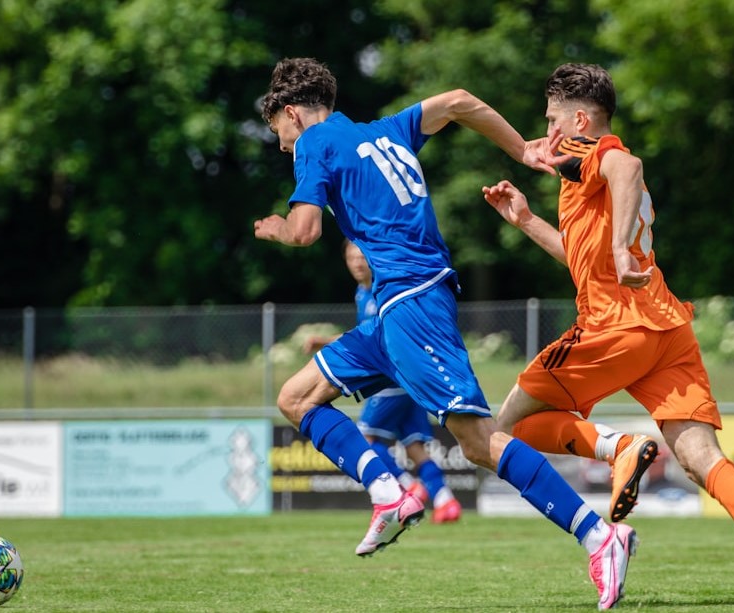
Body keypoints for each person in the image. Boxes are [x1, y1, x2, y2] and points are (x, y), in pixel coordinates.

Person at [254, 57, 634, 610]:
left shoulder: (316, 144)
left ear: (293, 113)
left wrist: (277, 230)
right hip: (390, 312)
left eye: (281, 138)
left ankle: (601, 535)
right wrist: (521, 150)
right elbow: (458, 99)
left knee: (477, 443)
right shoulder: (385, 131)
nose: (287, 149)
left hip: (412, 303)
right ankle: (389, 492)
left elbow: (307, 230)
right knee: (296, 397)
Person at [481, 62, 734, 608]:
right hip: (666, 328)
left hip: (615, 325)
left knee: (502, 427)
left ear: (580, 119)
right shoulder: (579, 174)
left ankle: (618, 447)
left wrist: (619, 247)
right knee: (703, 459)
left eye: (553, 119)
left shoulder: (596, 152)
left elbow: (628, 167)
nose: (548, 132)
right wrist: (527, 221)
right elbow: (582, 260)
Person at [303, 239, 463, 524]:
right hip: (409, 380)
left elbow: (377, 339)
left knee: (365, 438)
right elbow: (363, 336)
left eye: (361, 256)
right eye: (351, 257)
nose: (356, 262)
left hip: (390, 378)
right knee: (414, 446)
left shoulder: (382, 289)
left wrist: (323, 342)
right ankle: (445, 500)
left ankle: (405, 487)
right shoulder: (360, 293)